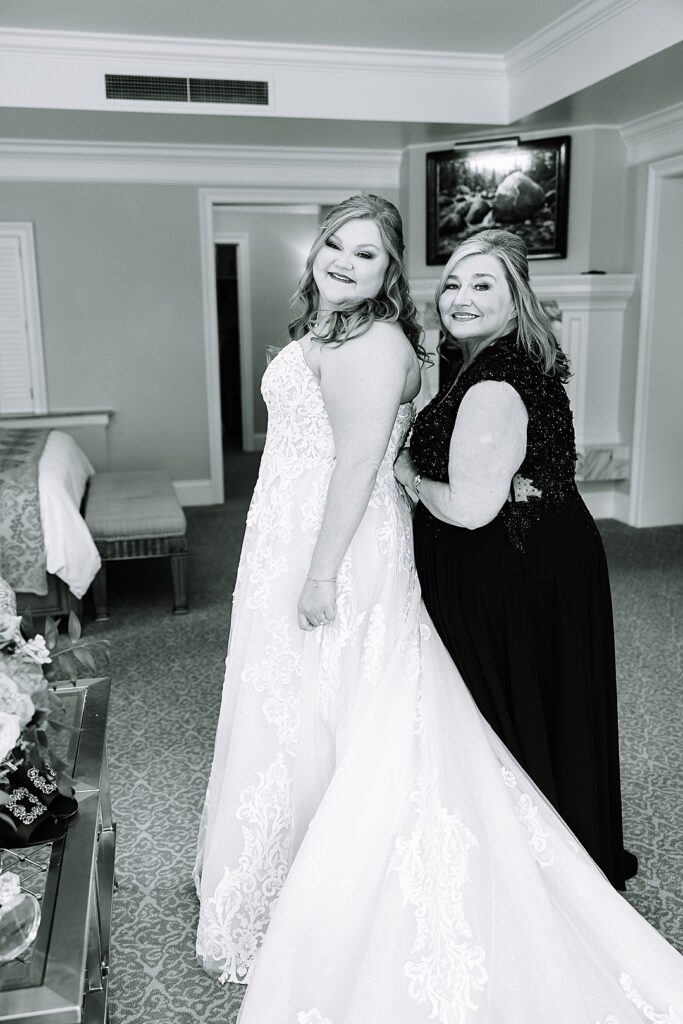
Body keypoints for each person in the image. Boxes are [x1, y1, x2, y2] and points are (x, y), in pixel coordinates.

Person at [194, 199, 683, 1023]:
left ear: (390, 277)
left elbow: (361, 464)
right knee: (302, 703)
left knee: (357, 703)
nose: (346, 262)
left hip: (342, 547)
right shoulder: (374, 341)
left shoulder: (386, 346)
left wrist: (318, 575)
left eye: (369, 254)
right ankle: (286, 861)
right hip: (297, 533)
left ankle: (340, 885)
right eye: (336, 246)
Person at [395, 228, 636, 890]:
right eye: (451, 283)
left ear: (516, 298)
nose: (461, 297)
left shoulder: (493, 383)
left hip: (512, 568)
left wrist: (407, 474)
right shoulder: (492, 359)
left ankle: (534, 864)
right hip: (538, 556)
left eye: (482, 285)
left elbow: (471, 509)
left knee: (513, 705)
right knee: (539, 702)